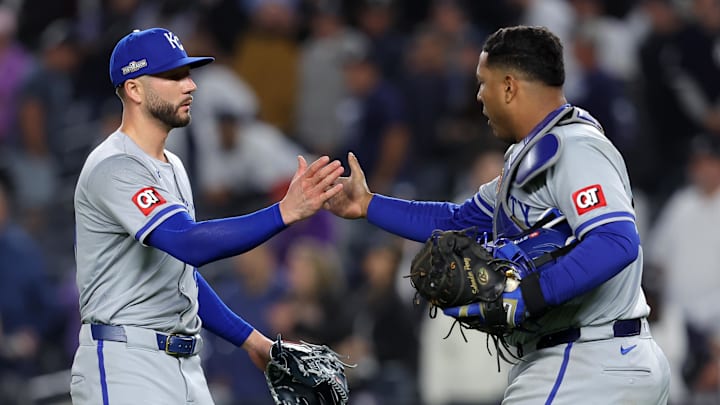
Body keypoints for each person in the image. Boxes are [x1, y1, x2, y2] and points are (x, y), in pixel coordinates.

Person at [325, 25, 671, 403]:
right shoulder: (532, 157)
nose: (478, 96)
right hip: (592, 359)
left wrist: (529, 295)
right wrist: (369, 204)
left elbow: (617, 242)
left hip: (587, 360)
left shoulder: (576, 148)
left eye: (482, 83)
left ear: (508, 87)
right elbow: (458, 222)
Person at [70, 27, 344, 404]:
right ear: (134, 89)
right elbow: (190, 244)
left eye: (188, 73)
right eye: (173, 76)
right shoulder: (114, 166)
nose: (190, 85)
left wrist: (254, 341)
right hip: (126, 361)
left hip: (184, 363)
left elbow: (181, 276)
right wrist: (285, 211)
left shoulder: (174, 167)